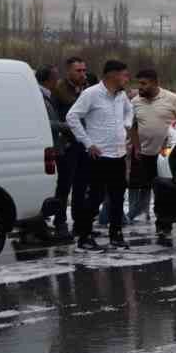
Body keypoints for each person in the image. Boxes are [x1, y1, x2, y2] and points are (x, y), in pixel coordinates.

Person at [66, 59, 134, 251]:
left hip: (118, 154)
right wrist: (88, 143)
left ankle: (116, 235)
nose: (127, 79)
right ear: (112, 75)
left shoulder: (121, 95)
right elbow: (72, 117)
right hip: (99, 156)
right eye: (124, 75)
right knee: (95, 198)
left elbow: (129, 110)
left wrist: (126, 125)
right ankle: (85, 237)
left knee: (118, 197)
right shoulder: (91, 94)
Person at [128, 68, 176, 245]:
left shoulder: (171, 98)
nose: (140, 87)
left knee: (163, 190)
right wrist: (136, 147)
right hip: (145, 154)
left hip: (166, 154)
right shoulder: (135, 102)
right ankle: (142, 216)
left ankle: (163, 224)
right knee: (146, 187)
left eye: (144, 83)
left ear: (155, 83)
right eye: (138, 83)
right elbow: (132, 127)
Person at [50, 56, 94, 237]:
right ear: (69, 71)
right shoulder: (59, 90)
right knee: (64, 185)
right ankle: (60, 222)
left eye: (84, 70)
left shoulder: (88, 89)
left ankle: (79, 223)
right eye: (78, 70)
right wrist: (68, 130)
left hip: (86, 143)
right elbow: (54, 117)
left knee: (82, 186)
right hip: (67, 144)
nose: (83, 74)